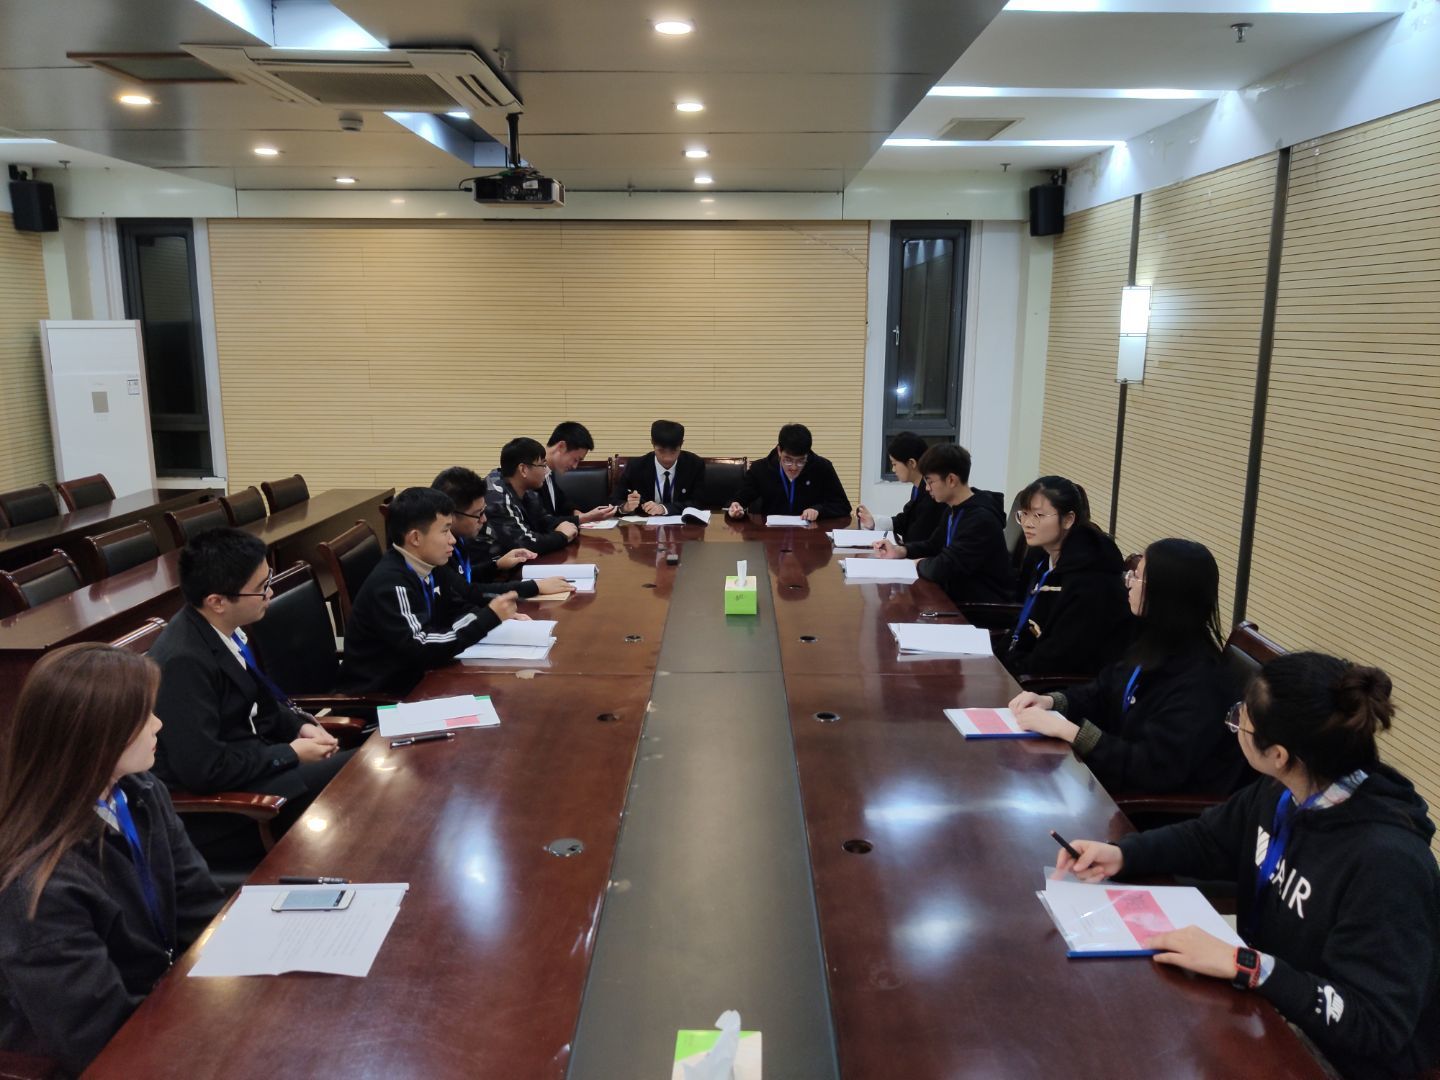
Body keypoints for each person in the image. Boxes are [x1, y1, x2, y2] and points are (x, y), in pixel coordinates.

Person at [1057, 654, 1440, 1080]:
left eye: (1243, 719)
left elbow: (1375, 1024)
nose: (1236, 722)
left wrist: (1247, 965)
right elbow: (1209, 837)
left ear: (1278, 754)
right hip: (1268, 1003)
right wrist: (1124, 853)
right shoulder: (1285, 790)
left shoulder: (1388, 865)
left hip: (1337, 1057)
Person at [0, 644, 223, 1075]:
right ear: (97, 735)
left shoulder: (141, 791)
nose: (159, 724)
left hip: (166, 1004)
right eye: (143, 717)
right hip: (109, 1053)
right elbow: (95, 1037)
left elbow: (199, 905)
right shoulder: (37, 886)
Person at [149, 528, 352, 861]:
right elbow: (204, 770)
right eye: (260, 588)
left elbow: (261, 700)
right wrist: (290, 754)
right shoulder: (183, 663)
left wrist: (299, 727)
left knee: (359, 770)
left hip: (255, 768)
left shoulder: (220, 630)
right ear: (217, 601)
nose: (269, 593)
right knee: (355, 780)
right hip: (231, 810)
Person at [1009, 538, 1247, 798]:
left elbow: (1151, 767)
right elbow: (1103, 691)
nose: (1128, 583)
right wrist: (1051, 702)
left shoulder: (1200, 681)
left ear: (1166, 593)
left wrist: (1070, 732)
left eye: (1138, 577)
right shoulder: (1153, 641)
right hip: (1105, 780)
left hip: (1142, 806)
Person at [343, 486, 521, 696]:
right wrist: (487, 618)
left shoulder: (429, 566)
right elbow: (422, 645)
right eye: (445, 531)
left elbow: (456, 607)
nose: (452, 540)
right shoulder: (392, 584)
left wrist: (489, 615)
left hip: (422, 680)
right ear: (415, 538)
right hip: (386, 697)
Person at [999, 475, 1132, 678]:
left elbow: (1060, 657)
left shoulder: (1091, 577)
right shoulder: (1043, 556)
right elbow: (1025, 624)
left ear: (1068, 519)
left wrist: (1007, 668)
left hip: (1057, 684)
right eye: (1024, 514)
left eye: (1038, 515)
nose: (1027, 523)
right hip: (1026, 666)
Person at [872, 443, 1013, 604]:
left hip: (978, 607)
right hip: (954, 596)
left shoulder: (980, 520)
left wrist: (917, 564)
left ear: (951, 480)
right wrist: (900, 550)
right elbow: (933, 546)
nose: (927, 488)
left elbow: (945, 566)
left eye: (930, 481)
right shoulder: (953, 509)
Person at [430, 466, 571, 601]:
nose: (484, 520)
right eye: (478, 514)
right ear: (451, 515)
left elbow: (463, 577)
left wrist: (497, 565)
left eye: (484, 511)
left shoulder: (458, 537)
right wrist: (535, 587)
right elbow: (468, 592)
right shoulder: (435, 549)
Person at [726, 423, 851, 521]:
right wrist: (735, 507)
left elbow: (843, 506)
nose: (794, 467)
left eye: (801, 461)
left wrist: (818, 510)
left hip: (810, 536)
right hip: (771, 537)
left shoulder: (822, 467)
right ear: (779, 451)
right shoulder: (760, 469)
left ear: (807, 454)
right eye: (788, 460)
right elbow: (737, 501)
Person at [485, 437, 580, 556]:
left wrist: (564, 526)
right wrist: (563, 536)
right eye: (543, 465)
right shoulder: (497, 496)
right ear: (523, 469)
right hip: (490, 564)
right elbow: (525, 543)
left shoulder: (527, 491)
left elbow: (544, 520)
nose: (546, 471)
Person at [855, 431, 944, 544]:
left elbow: (917, 535)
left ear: (911, 463)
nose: (893, 470)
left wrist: (900, 549)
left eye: (894, 464)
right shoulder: (917, 488)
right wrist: (873, 521)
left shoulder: (931, 494)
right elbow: (906, 520)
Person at [611, 419, 706, 515]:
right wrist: (625, 507)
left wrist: (664, 508)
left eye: (673, 451)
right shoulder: (636, 466)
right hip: (645, 523)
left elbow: (699, 503)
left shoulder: (694, 465)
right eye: (661, 451)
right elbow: (613, 501)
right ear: (652, 442)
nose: (667, 458)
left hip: (683, 523)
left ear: (682, 443)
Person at [537, 422, 616, 524]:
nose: (575, 466)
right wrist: (585, 518)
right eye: (575, 459)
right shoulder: (532, 475)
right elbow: (540, 522)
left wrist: (576, 512)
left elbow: (562, 502)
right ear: (561, 446)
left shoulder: (549, 472)